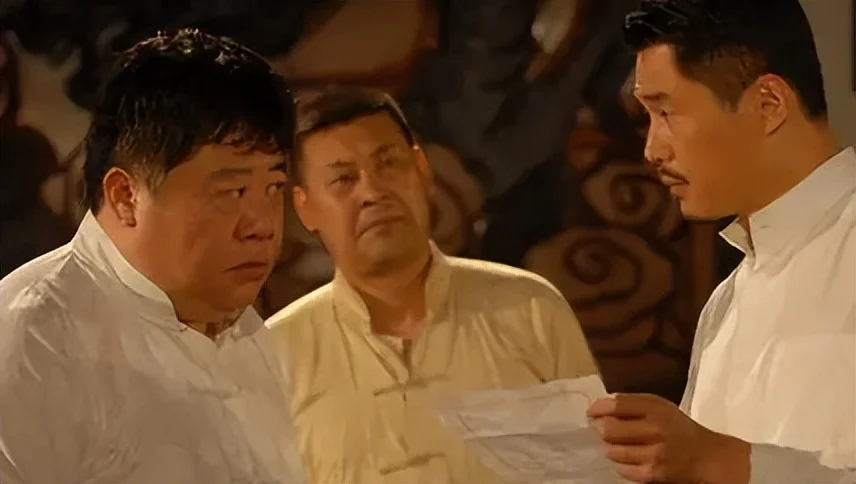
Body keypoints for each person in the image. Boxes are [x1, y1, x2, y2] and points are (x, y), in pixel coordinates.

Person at [0, 29, 306, 484]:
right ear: (125, 196)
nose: (261, 225)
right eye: (233, 191)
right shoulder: (31, 337)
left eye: (273, 187)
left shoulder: (246, 332)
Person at [265, 85, 599, 484]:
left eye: (388, 163)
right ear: (304, 207)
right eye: (343, 179)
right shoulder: (271, 359)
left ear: (421, 168)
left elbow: (596, 473)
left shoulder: (530, 309)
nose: (372, 192)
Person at [586, 1, 855, 483]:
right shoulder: (726, 302)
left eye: (667, 112)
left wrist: (718, 460)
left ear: (768, 104)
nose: (652, 150)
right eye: (647, 117)